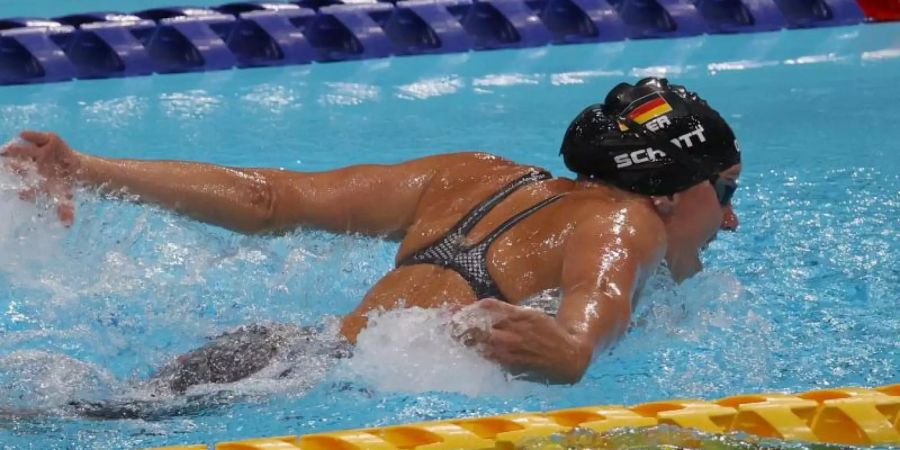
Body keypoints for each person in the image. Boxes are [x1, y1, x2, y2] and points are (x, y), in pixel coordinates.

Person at [2, 77, 741, 389]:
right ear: (675, 192)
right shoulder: (629, 219)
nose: (732, 218)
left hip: (280, 350)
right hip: (318, 386)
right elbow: (599, 297)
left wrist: (88, 167)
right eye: (727, 189)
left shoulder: (474, 173)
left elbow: (269, 199)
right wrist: (576, 347)